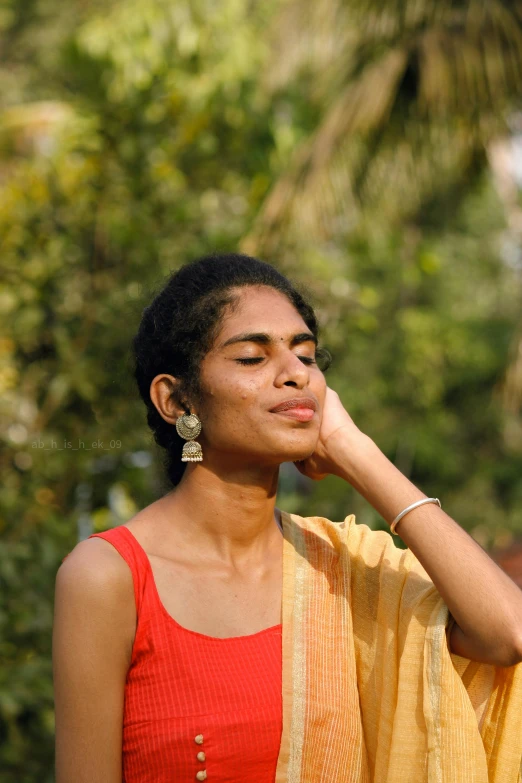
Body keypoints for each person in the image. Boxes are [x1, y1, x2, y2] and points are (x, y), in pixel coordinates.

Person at [53, 252, 522, 783]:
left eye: (307, 356)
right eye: (252, 358)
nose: (296, 375)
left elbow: (507, 632)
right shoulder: (107, 577)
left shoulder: (342, 568)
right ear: (176, 399)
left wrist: (356, 451)